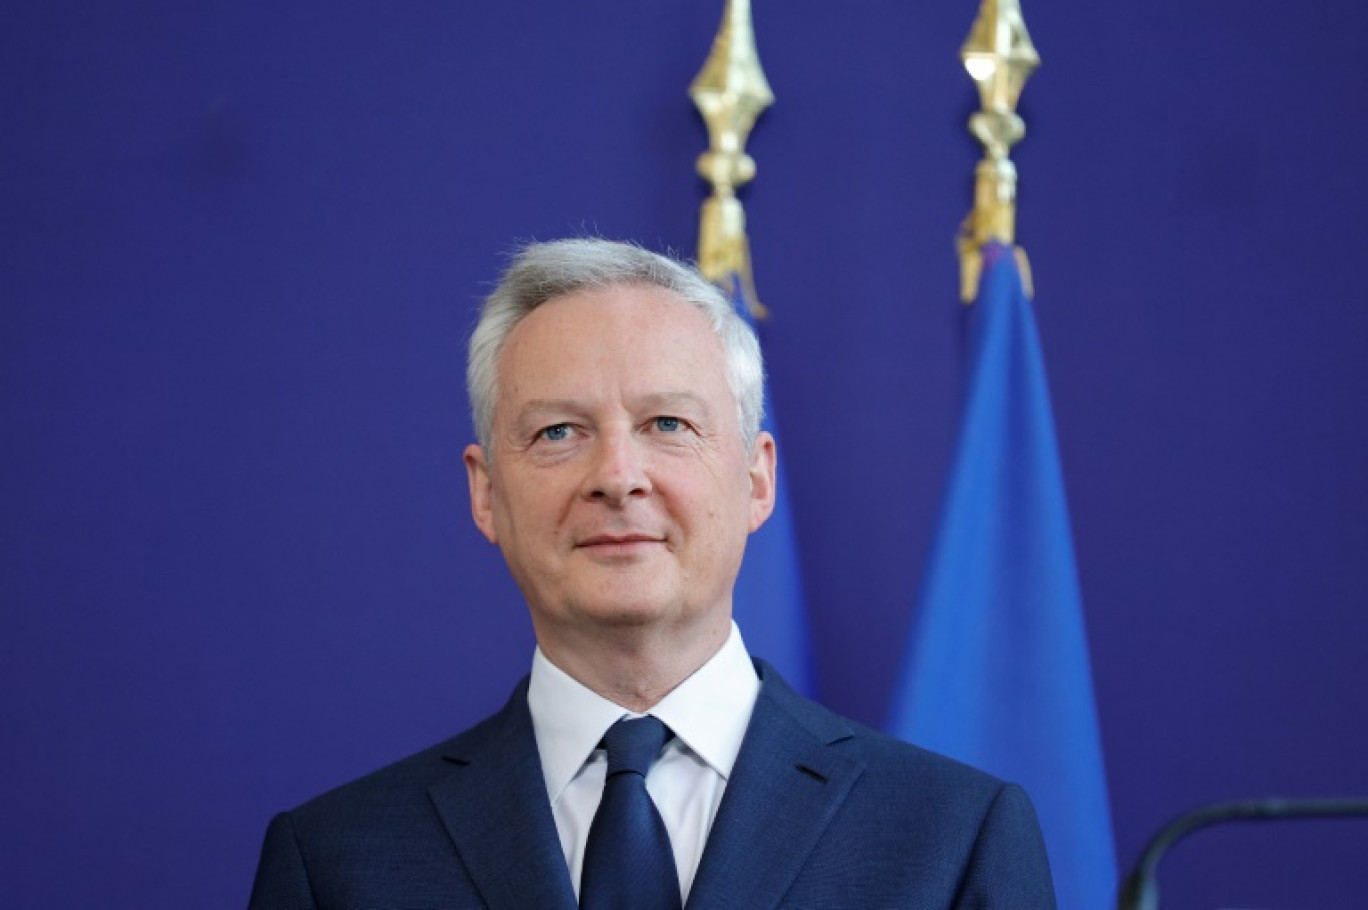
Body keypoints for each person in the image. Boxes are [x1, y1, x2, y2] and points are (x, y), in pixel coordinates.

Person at [248, 238, 1055, 909]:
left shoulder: (954, 840)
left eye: (668, 423)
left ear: (756, 480)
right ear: (486, 492)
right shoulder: (337, 865)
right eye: (560, 431)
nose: (618, 475)